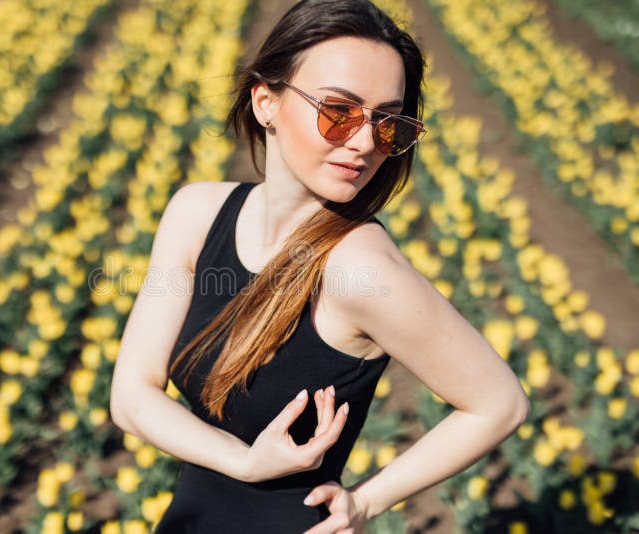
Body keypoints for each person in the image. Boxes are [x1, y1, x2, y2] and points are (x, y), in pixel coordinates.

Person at [109, 0, 531, 532]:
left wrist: (366, 501)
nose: (363, 142)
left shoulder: (362, 272)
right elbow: (131, 397)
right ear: (266, 101)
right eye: (339, 111)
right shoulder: (196, 214)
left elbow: (500, 404)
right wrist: (242, 461)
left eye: (388, 124)